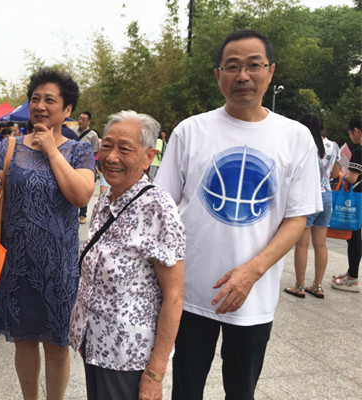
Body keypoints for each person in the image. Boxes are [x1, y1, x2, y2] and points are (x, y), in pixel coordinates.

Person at [155, 29, 322, 399]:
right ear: (218, 75)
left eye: (253, 65)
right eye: (232, 66)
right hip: (191, 292)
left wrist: (251, 272)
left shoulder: (295, 137)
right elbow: (163, 208)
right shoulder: (190, 131)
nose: (242, 76)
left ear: (270, 71)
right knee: (185, 389)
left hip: (254, 296)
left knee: (241, 391)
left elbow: (297, 218)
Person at [0, 67, 95, 400]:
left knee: (57, 344)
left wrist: (51, 149)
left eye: (50, 100)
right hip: (16, 265)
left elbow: (81, 195)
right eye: (35, 99)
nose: (40, 106)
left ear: (67, 109)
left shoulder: (79, 151)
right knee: (23, 341)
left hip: (58, 268)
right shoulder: (8, 147)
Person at [68, 110, 185, 400]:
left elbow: (174, 296)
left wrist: (155, 373)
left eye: (124, 149)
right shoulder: (105, 199)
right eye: (107, 146)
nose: (111, 157)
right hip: (95, 345)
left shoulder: (158, 207)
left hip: (127, 356)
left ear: (148, 157)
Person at [284, 113, 339, 299]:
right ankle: (317, 285)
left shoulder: (304, 144)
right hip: (327, 196)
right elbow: (336, 173)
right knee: (321, 245)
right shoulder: (333, 146)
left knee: (302, 244)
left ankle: (299, 285)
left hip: (308, 197)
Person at [333, 115, 362, 292]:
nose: (351, 137)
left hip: (357, 199)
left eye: (351, 133)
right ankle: (351, 272)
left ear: (356, 131)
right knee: (356, 237)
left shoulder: (359, 151)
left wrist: (342, 173)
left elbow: (352, 178)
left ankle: (353, 278)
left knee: (353, 237)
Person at [77, 111, 99, 224]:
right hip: (72, 164)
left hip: (85, 165)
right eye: (80, 118)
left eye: (83, 119)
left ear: (89, 122)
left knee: (83, 189)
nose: (80, 121)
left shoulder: (93, 135)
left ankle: (82, 214)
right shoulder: (73, 131)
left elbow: (95, 151)